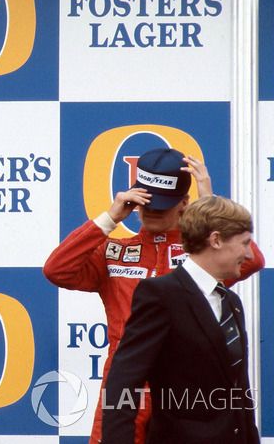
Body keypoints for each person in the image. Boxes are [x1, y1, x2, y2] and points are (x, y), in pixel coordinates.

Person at [43, 147, 264, 444]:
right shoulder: (115, 251)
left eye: (163, 205)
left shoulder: (202, 254)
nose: (151, 212)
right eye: (146, 203)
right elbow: (58, 270)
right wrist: (110, 218)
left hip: (183, 394)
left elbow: (251, 261)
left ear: (185, 204)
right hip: (124, 387)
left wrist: (210, 205)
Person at [102, 195, 260, 443]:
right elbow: (123, 383)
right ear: (216, 240)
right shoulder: (160, 295)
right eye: (245, 243)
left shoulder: (232, 302)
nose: (250, 254)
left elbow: (239, 392)